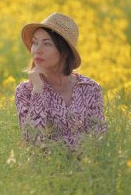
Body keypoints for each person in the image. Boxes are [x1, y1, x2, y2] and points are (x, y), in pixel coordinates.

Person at [15, 12, 106, 151]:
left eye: (47, 44)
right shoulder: (25, 91)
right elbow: (32, 143)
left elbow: (98, 141)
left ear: (64, 51)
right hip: (43, 172)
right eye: (34, 42)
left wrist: (52, 145)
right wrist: (38, 90)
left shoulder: (90, 89)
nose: (37, 50)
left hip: (88, 171)